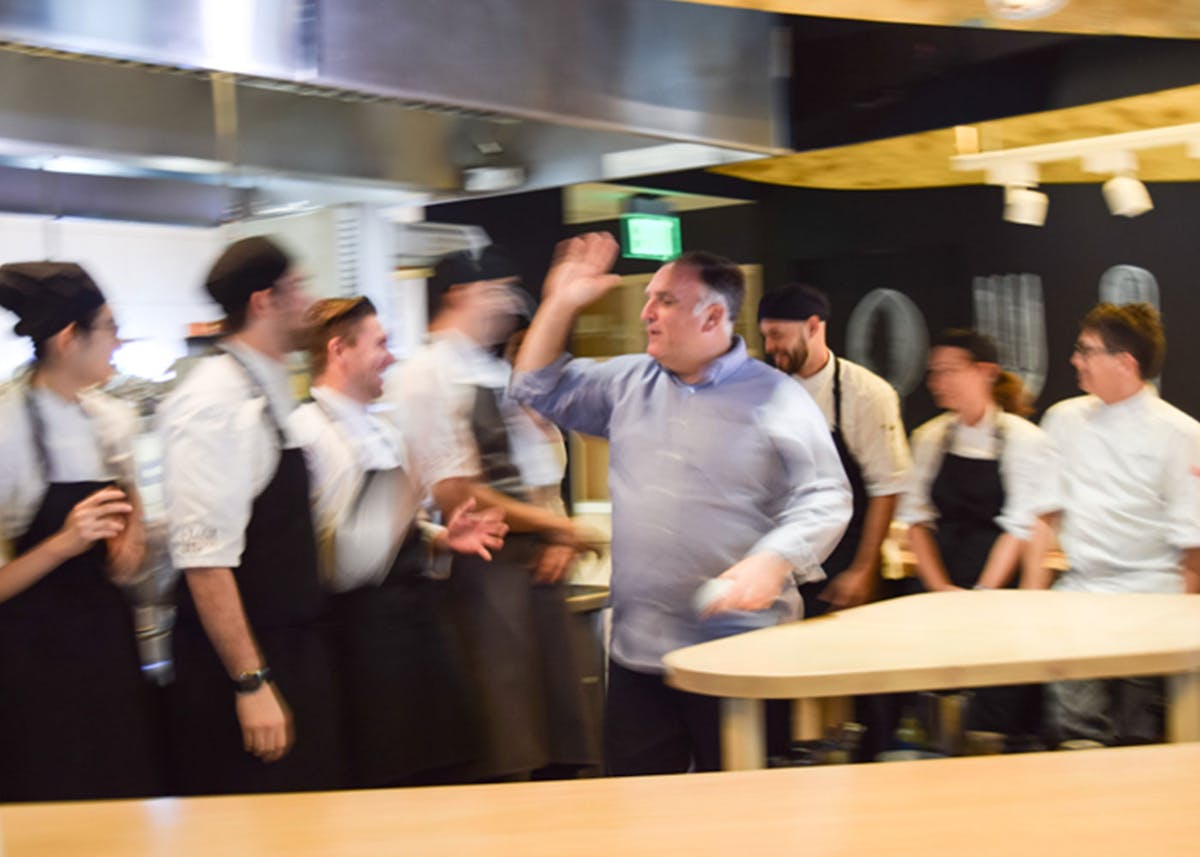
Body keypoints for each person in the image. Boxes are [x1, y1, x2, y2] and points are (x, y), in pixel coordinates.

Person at [511, 234, 851, 775]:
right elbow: (533, 387)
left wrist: (776, 557)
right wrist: (560, 303)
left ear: (713, 316)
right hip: (639, 657)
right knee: (640, 814)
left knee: (744, 820)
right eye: (650, 297)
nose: (647, 312)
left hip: (741, 655)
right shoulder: (627, 382)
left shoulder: (777, 397)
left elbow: (827, 494)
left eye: (665, 300)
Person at [385, 246, 600, 781]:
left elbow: (534, 473)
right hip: (477, 577)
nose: (505, 304)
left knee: (563, 742)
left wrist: (555, 537)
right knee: (506, 744)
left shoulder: (489, 369)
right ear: (457, 295)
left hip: (532, 573)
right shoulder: (424, 373)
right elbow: (460, 494)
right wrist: (561, 527)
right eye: (493, 292)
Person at [288, 296, 505, 787]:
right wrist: (404, 497)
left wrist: (439, 538)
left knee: (446, 772)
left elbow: (396, 533)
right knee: (389, 782)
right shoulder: (306, 434)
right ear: (339, 350)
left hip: (416, 626)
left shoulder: (380, 429)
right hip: (363, 646)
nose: (390, 356)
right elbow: (334, 564)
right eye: (380, 344)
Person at [160, 236, 344, 795]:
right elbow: (204, 560)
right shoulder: (213, 402)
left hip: (289, 648)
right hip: (242, 666)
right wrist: (251, 682)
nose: (310, 301)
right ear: (265, 301)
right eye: (300, 287)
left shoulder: (266, 390)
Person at [0, 261, 162, 801]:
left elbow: (130, 536)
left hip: (109, 650)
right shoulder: (7, 430)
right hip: (31, 666)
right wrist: (62, 544)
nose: (119, 341)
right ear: (71, 339)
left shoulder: (113, 420)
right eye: (110, 328)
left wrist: (130, 542)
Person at [1023, 302, 1200, 745]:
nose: (1074, 360)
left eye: (1086, 351)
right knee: (1075, 732)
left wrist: (1180, 628)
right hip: (1079, 596)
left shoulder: (1181, 433)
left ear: (1125, 362)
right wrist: (1028, 604)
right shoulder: (1064, 419)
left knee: (1139, 739)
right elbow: (1045, 515)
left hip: (1151, 602)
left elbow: (1192, 544)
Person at [897, 329, 1050, 741]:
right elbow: (917, 520)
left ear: (986, 373)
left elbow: (1018, 527)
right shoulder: (930, 436)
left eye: (949, 371)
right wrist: (939, 589)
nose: (938, 382)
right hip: (941, 582)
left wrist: (982, 595)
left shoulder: (1023, 438)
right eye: (934, 373)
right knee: (931, 710)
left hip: (1001, 589)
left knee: (993, 714)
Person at [758, 283, 909, 616]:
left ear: (813, 327)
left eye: (778, 335)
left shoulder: (867, 394)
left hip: (843, 566)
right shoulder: (763, 393)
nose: (770, 347)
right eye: (766, 336)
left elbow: (886, 490)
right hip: (778, 566)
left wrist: (863, 571)